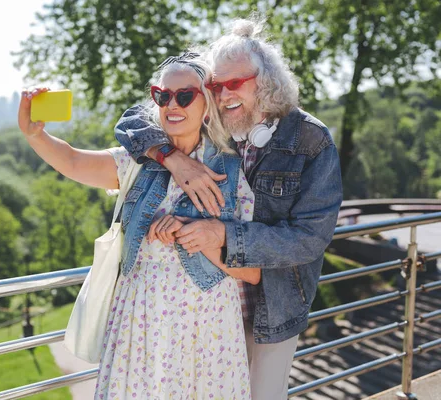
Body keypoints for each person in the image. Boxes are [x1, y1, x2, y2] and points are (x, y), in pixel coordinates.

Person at [114, 17, 343, 400]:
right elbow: (133, 121)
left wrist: (223, 236)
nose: (223, 95)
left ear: (267, 79)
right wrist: (171, 156)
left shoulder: (310, 140)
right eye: (216, 86)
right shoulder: (214, 121)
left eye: (235, 83)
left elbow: (309, 239)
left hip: (273, 304)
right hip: (206, 301)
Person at [18, 53, 259, 399]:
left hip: (206, 330)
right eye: (162, 96)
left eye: (185, 96)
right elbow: (72, 160)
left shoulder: (232, 174)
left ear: (207, 104)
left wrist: (198, 235)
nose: (171, 105)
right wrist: (36, 136)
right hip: (138, 322)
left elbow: (253, 272)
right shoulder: (136, 164)